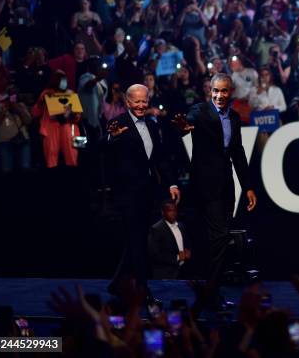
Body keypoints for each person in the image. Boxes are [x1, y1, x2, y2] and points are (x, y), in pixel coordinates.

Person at [175, 73, 256, 304]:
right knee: (218, 237)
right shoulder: (200, 111)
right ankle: (210, 289)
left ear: (231, 92)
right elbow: (187, 124)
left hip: (226, 186)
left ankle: (210, 289)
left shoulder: (235, 118)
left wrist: (247, 186)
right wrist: (183, 127)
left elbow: (238, 153)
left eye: (224, 91)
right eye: (216, 91)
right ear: (210, 91)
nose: (219, 95)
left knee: (219, 238)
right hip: (204, 187)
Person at [106, 84, 181, 297]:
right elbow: (102, 147)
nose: (140, 105)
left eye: (144, 101)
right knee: (137, 240)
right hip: (127, 194)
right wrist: (112, 138)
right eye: (136, 101)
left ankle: (117, 282)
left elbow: (161, 158)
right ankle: (142, 288)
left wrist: (172, 184)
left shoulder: (151, 125)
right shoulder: (118, 123)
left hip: (147, 193)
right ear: (128, 102)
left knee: (136, 239)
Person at [148, 200, 191, 280]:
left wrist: (188, 251)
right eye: (169, 211)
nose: (173, 213)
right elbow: (154, 255)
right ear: (163, 212)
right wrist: (177, 257)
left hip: (182, 273)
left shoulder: (181, 226)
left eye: (174, 210)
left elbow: (186, 243)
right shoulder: (156, 229)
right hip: (165, 274)